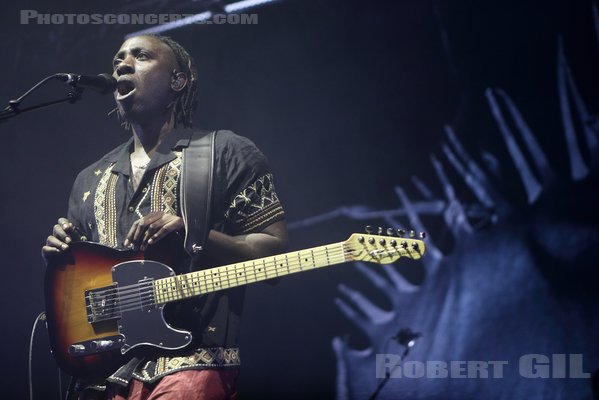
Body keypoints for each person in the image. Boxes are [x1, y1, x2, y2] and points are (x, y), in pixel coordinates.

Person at [41, 34, 288, 400]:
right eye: (118, 60)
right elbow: (83, 281)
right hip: (104, 377)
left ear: (177, 80)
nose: (123, 64)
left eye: (140, 56)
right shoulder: (91, 177)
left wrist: (194, 233)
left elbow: (274, 253)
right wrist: (61, 257)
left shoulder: (226, 152)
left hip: (192, 365)